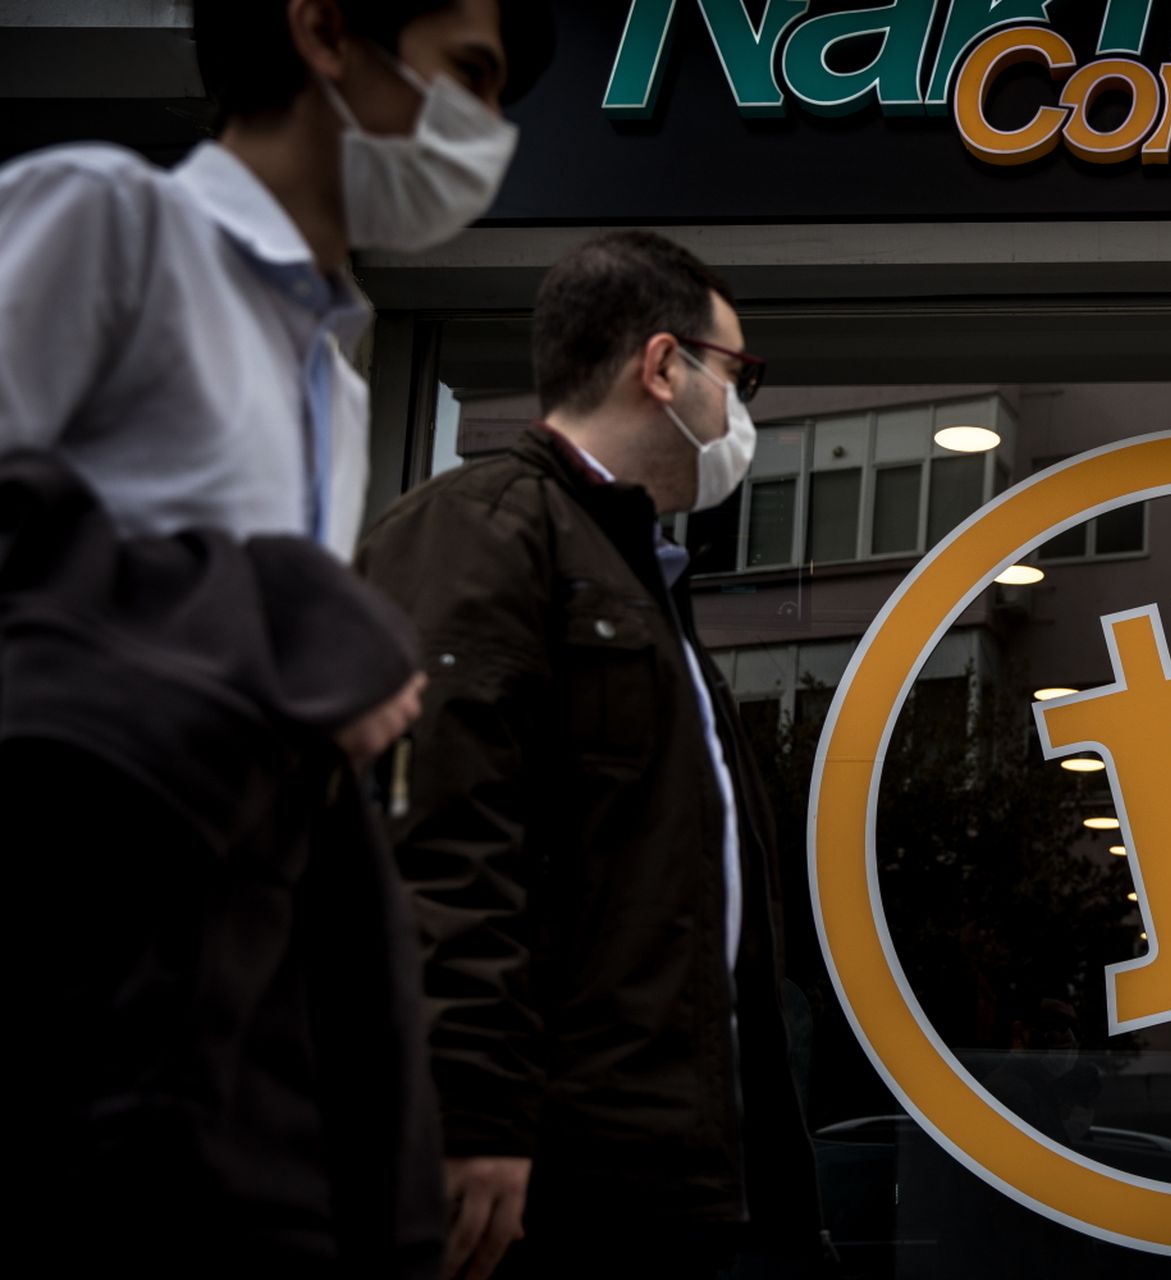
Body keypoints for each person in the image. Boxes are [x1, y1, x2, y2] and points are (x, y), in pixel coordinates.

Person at [0, 1, 551, 1274]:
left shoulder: (333, 374)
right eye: (468, 75)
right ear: (321, 31)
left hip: (232, 984)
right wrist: (279, 636)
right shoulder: (111, 221)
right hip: (82, 950)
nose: (489, 129)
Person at [356, 231, 829, 1279]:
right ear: (663, 367)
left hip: (677, 1171)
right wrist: (468, 1105)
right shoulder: (477, 537)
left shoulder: (643, 579)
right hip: (559, 1184)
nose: (738, 410)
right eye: (736, 374)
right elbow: (435, 844)